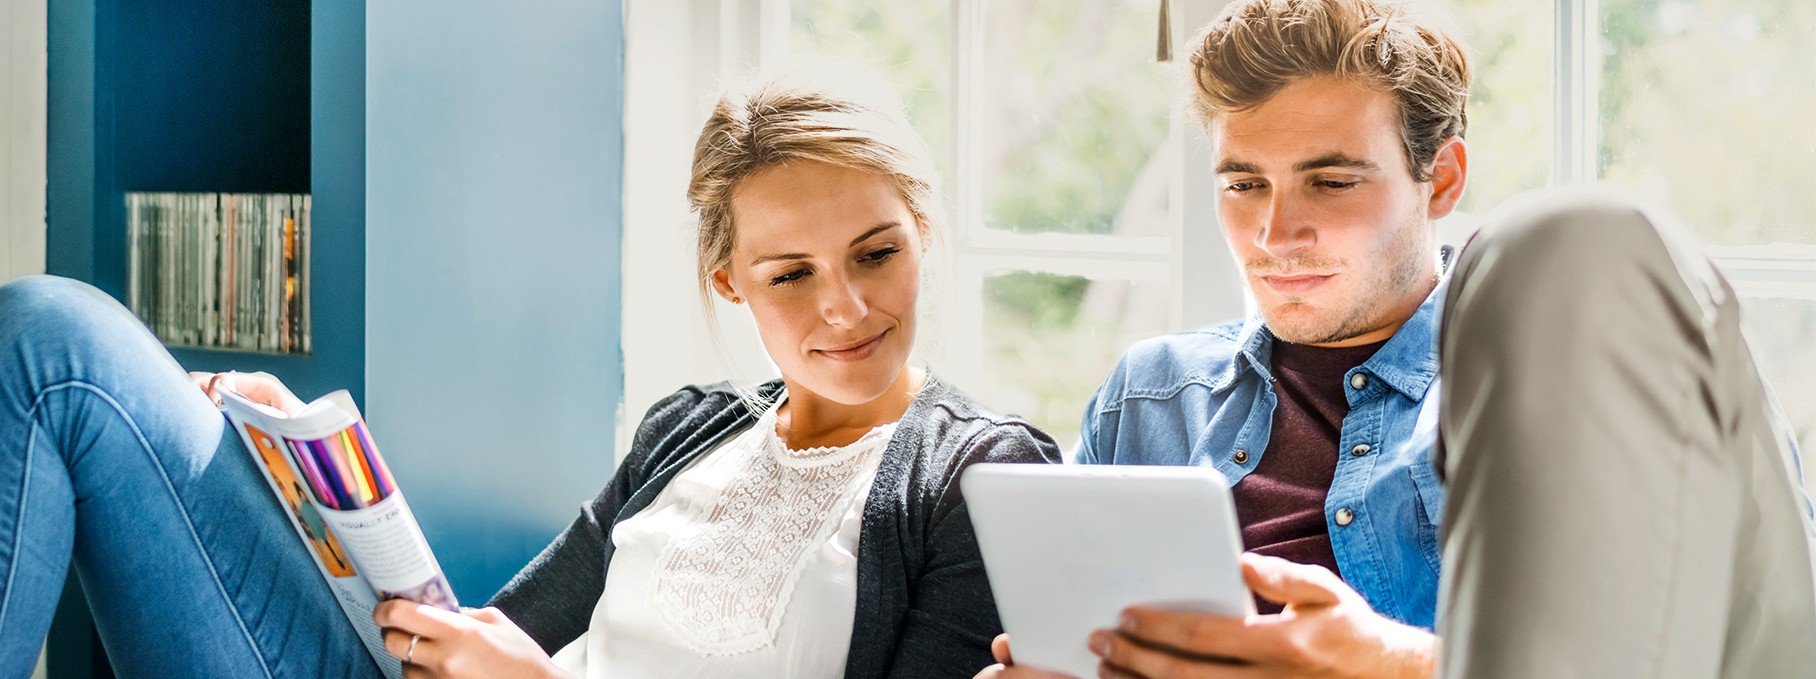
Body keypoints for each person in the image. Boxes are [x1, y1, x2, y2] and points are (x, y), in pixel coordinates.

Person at [0, 67, 1059, 679]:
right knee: (53, 339)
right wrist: (300, 477)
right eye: (791, 273)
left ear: (922, 232)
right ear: (730, 280)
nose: (844, 306)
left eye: (876, 253)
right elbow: (467, 639)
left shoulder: (975, 478)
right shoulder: (688, 431)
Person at [982, 0, 1816, 676]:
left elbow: (1672, 640)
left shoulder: (1569, 366)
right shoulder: (1153, 394)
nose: (1276, 232)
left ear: (1441, 179)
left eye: (1331, 180)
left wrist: (1392, 661)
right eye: (1243, 183)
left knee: (1582, 236)